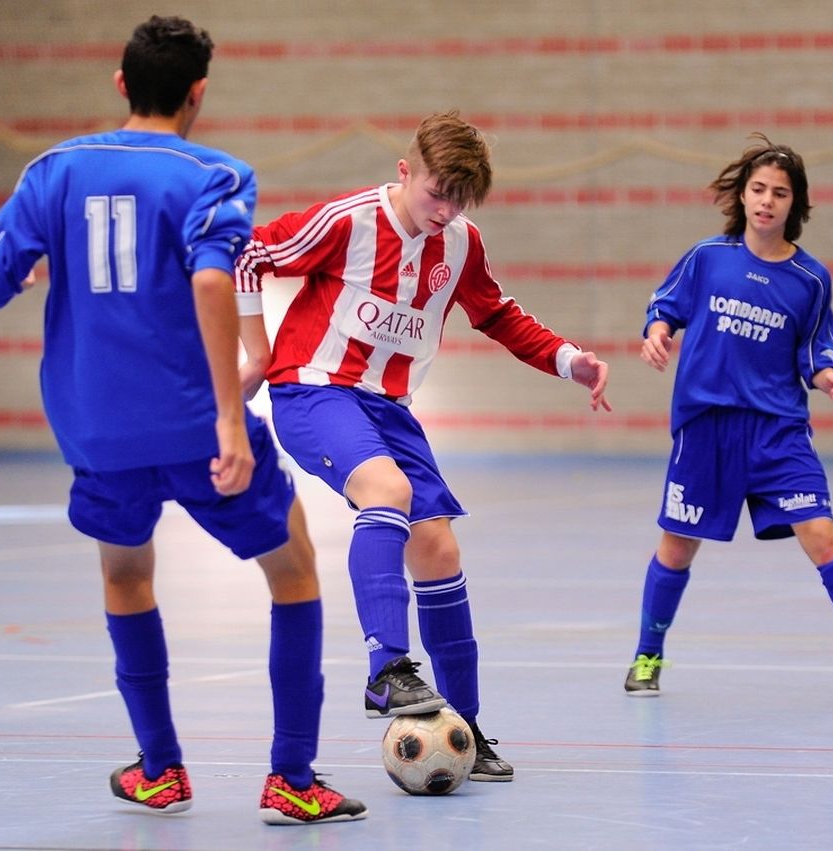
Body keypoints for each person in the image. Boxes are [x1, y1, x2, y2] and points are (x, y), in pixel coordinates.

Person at [0, 16, 365, 825]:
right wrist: (227, 418)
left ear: (120, 84)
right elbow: (215, 285)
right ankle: (291, 775)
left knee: (125, 576)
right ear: (198, 92)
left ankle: (160, 768)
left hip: (96, 431)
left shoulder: (54, 171)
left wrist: (46, 263)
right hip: (192, 423)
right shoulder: (216, 175)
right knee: (293, 570)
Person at [234, 110, 612, 782]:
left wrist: (567, 359)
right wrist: (257, 356)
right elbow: (249, 253)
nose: (445, 211)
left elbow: (497, 312)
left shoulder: (461, 244)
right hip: (315, 390)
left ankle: (465, 728)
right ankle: (386, 668)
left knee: (437, 547)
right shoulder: (348, 222)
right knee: (388, 493)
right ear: (405, 172)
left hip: (389, 409)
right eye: (436, 192)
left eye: (459, 200)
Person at [623, 133, 833, 699]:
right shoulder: (708, 258)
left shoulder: (810, 279)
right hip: (707, 428)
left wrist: (832, 378)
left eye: (779, 192)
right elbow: (665, 307)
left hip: (778, 431)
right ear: (742, 196)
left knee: (823, 535)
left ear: (794, 204)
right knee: (677, 547)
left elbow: (817, 352)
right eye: (757, 189)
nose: (766, 200)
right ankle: (646, 656)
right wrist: (658, 333)